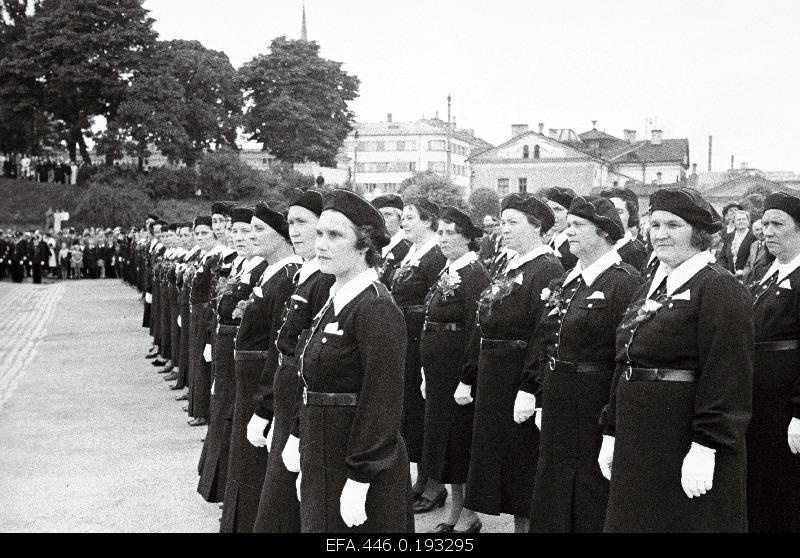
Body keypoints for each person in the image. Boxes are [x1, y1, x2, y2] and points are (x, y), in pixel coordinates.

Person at [601, 187, 753, 532]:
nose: (661, 234)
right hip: (640, 433)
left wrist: (706, 445)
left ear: (698, 234)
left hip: (682, 436)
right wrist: (611, 430)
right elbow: (626, 358)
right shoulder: (652, 286)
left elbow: (728, 373)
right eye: (654, 225)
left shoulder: (719, 287)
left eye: (673, 225)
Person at [282, 189, 414, 532]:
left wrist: (360, 476)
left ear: (364, 245)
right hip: (322, 449)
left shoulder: (375, 307)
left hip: (355, 456)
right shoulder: (334, 298)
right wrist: (299, 437)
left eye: (335, 235)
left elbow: (381, 399)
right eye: (320, 233)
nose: (321, 243)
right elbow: (311, 373)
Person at [529, 196, 642, 532]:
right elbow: (548, 337)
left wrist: (613, 415)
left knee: (592, 486)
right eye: (570, 224)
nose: (570, 231)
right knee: (554, 480)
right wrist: (537, 393)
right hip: (559, 393)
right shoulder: (570, 279)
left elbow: (625, 354)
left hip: (595, 400)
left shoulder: (625, 281)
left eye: (579, 226)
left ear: (605, 233)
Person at [463, 193, 563, 533]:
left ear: (537, 227)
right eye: (502, 222)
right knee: (500, 457)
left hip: (516, 371)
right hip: (494, 373)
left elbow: (544, 333)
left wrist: (530, 387)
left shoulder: (547, 268)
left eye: (513, 222)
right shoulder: (511, 263)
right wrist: (471, 372)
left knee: (522, 459)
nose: (503, 229)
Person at [252, 190, 335, 533]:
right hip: (286, 393)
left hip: (301, 398)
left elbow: (313, 357)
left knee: (290, 501)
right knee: (282, 498)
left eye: (303, 223)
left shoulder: (325, 279)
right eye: (291, 223)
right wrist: (266, 407)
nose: (294, 230)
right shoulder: (306, 273)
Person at [221, 203, 301, 533]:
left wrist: (264, 401)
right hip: (250, 376)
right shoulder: (269, 272)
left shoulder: (285, 277)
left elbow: (275, 344)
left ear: (281, 236)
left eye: (259, 230)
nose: (251, 236)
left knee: (256, 462)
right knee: (247, 460)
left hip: (261, 380)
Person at [419, 207, 489, 533]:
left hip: (456, 369)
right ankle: (457, 509)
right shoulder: (448, 270)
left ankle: (465, 513)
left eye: (451, 233)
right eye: (441, 232)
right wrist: (424, 370)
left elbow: (477, 328)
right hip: (436, 370)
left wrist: (467, 377)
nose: (444, 239)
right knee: (441, 441)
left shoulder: (474, 274)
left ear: (467, 237)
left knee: (457, 442)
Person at [746, 192, 800, 533]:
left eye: (778, 223)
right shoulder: (764, 271)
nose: (767, 231)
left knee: (786, 490)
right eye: (765, 223)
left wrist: (799, 411)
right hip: (757, 400)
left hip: (785, 404)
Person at [391, 198, 448, 512]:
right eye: (403, 218)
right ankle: (421, 479)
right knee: (412, 410)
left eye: (410, 217)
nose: (404, 223)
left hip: (422, 335)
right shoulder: (410, 252)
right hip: (406, 336)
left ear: (429, 221)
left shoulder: (437, 254)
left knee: (426, 411)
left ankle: (433, 483)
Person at [600, 186, 648, 270]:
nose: (612, 216)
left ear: (631, 214)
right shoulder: (602, 246)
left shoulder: (636, 251)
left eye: (619, 212)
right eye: (609, 211)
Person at [371, 194, 411, 288]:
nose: (383, 220)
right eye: (379, 215)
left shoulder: (408, 248)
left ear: (401, 219)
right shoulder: (372, 246)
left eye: (388, 215)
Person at [545, 187, 578, 271]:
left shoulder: (573, 248)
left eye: (558, 209)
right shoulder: (552, 241)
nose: (551, 214)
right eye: (549, 209)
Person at [720, 209, 756, 278]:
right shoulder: (730, 236)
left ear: (748, 221)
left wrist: (744, 272)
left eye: (744, 219)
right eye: (738, 219)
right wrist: (726, 271)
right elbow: (722, 256)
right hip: (729, 276)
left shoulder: (753, 236)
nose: (741, 221)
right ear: (734, 222)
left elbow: (754, 258)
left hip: (747, 276)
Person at [742, 218, 774, 285]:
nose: (760, 232)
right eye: (757, 230)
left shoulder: (772, 244)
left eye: (762, 228)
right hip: (751, 282)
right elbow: (748, 264)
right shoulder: (754, 245)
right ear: (753, 232)